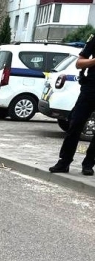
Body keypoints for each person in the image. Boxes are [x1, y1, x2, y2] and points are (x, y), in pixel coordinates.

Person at [50, 34, 95, 175]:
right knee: (75, 124)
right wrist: (94, 61)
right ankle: (64, 161)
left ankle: (88, 164)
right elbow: (78, 63)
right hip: (91, 89)